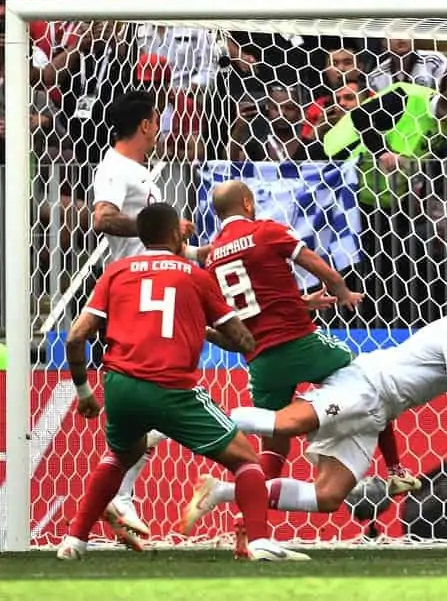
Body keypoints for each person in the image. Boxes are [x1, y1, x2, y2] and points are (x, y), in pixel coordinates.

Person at [178, 286, 447, 545]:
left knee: (329, 496)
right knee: (288, 424)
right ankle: (183, 418)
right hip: (364, 385)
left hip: (376, 413)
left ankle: (219, 492)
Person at [57, 203, 307, 561]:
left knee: (120, 455)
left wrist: (84, 392)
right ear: (175, 234)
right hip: (173, 388)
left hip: (122, 385)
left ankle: (74, 540)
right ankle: (260, 541)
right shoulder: (194, 275)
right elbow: (242, 339)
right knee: (246, 459)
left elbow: (75, 337)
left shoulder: (116, 272)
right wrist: (206, 329)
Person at [203, 180, 420, 495]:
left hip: (262, 361)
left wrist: (301, 303)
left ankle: (248, 525)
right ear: (248, 203)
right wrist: (341, 290)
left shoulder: (212, 258)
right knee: (370, 382)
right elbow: (316, 264)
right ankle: (396, 470)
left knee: (273, 443)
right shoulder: (265, 230)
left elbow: (245, 313)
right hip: (302, 344)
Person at [91, 89, 202, 546]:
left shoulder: (137, 170)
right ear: (147, 125)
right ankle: (121, 494)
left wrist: (189, 247)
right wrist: (156, 227)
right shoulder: (115, 168)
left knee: (158, 392)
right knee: (159, 390)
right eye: (159, 119)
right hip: (133, 291)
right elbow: (103, 219)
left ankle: (122, 493)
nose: (162, 126)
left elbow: (149, 238)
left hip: (153, 287)